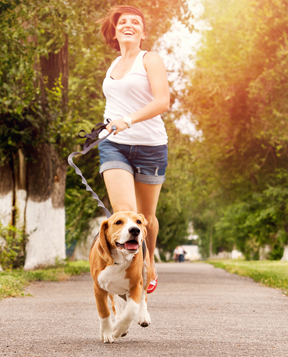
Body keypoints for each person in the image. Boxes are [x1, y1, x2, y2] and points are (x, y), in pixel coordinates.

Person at [97, 5, 170, 294]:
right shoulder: (113, 65)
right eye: (123, 22)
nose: (128, 25)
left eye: (135, 22)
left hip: (151, 147)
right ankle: (131, 274)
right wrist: (106, 126)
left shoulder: (149, 59)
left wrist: (127, 120)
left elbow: (162, 101)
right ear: (115, 32)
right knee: (126, 213)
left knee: (146, 219)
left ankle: (149, 261)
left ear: (142, 31)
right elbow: (113, 104)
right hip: (114, 146)